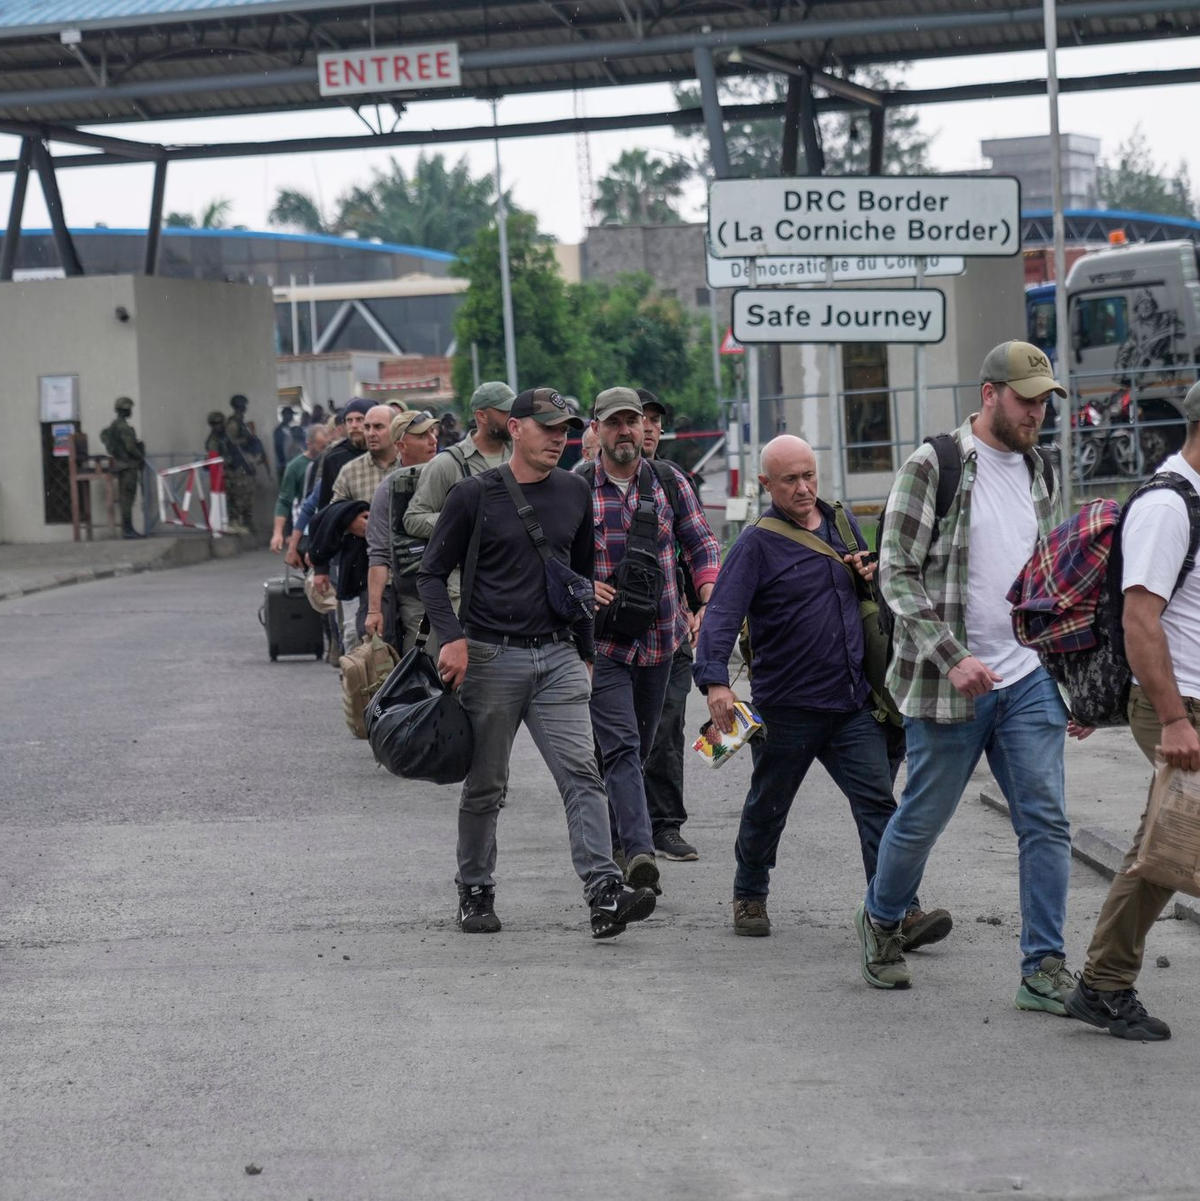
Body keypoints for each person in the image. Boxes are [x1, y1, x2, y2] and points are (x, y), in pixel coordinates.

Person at [856, 340, 1086, 1010]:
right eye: (1026, 399)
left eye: (1045, 401)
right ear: (989, 395)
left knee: (1046, 821)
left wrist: (1072, 680)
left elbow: (1050, 581)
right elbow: (896, 570)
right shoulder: (936, 464)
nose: (1037, 412)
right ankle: (881, 920)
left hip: (1028, 678)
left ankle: (1043, 966)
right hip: (947, 681)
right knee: (923, 818)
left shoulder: (1042, 468)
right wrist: (953, 656)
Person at [417, 387, 657, 940]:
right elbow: (430, 574)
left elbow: (577, 579)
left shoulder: (575, 491)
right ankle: (475, 888)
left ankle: (604, 892)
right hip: (490, 657)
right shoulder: (473, 494)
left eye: (566, 430)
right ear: (515, 428)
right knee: (487, 785)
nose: (558, 439)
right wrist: (452, 640)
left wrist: (586, 651)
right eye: (547, 427)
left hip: (558, 657)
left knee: (582, 774)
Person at [694, 435, 950, 941]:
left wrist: (869, 572)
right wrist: (715, 682)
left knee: (879, 806)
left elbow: (877, 591)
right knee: (768, 806)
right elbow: (722, 613)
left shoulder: (841, 522)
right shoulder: (755, 544)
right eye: (790, 479)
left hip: (851, 703)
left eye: (809, 475)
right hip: (786, 707)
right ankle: (749, 893)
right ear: (766, 484)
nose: (803, 488)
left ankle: (900, 909)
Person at [1063, 382, 1200, 1042]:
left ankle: (1103, 982)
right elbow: (1140, 621)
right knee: (1172, 841)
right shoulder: (1168, 507)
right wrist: (1174, 719)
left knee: (1169, 844)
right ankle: (1103, 983)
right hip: (1178, 703)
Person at [586, 387, 722, 894]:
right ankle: (640, 851)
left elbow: (701, 542)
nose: (626, 430)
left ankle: (620, 837)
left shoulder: (669, 481)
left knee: (643, 745)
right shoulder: (576, 487)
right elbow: (550, 559)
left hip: (663, 641)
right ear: (597, 429)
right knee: (621, 746)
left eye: (633, 421)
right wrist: (580, 585)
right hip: (604, 646)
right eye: (615, 422)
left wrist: (709, 596)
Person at [637, 389, 702, 860]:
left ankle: (665, 824)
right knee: (619, 734)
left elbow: (696, 546)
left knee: (668, 727)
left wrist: (702, 606)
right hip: (612, 636)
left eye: (655, 420)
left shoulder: (674, 479)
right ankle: (620, 825)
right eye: (640, 418)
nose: (648, 427)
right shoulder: (584, 482)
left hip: (672, 629)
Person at [314, 404, 400, 650]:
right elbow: (328, 514)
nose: (370, 432)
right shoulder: (349, 471)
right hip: (366, 571)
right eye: (367, 427)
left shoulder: (411, 465)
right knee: (369, 641)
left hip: (412, 573)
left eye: (378, 427)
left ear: (396, 430)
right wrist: (349, 521)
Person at [364, 409, 440, 653]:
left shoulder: (452, 474)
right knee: (423, 660)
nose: (433, 440)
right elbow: (379, 554)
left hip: (463, 591)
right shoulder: (389, 491)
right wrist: (374, 610)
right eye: (422, 435)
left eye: (433, 432)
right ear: (401, 446)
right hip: (416, 596)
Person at [404, 383, 515, 543]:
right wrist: (463, 522)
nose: (513, 418)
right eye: (505, 412)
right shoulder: (447, 464)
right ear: (482, 416)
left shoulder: (522, 455)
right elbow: (413, 520)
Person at [270, 423, 328, 554]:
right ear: (309, 444)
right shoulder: (295, 467)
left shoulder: (331, 461)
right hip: (305, 524)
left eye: (327, 446)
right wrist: (278, 533)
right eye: (321, 447)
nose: (324, 451)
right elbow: (285, 501)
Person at [100, 397, 145, 540]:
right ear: (125, 410)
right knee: (127, 499)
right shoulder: (123, 427)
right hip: (128, 465)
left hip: (121, 465)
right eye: (129, 409)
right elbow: (130, 447)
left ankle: (128, 529)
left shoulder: (115, 425)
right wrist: (141, 457)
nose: (131, 411)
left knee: (125, 498)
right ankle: (128, 530)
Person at [223, 394, 265, 535]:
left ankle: (248, 521)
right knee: (237, 494)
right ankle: (234, 521)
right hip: (237, 465)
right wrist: (246, 440)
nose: (245, 408)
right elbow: (232, 443)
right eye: (243, 405)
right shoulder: (233, 423)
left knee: (248, 494)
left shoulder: (241, 422)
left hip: (245, 463)